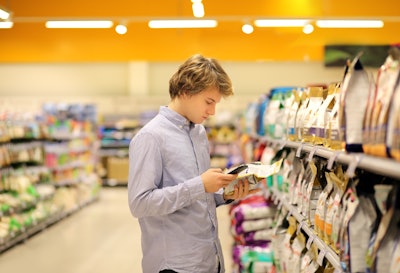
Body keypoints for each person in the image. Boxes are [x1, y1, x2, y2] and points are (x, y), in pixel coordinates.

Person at [128, 54, 258, 273]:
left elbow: (197, 196)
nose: (212, 112)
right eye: (209, 102)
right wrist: (200, 185)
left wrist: (224, 193)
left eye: (216, 104)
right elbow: (139, 204)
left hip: (208, 259)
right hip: (175, 265)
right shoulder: (151, 137)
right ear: (186, 91)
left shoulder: (198, 132)